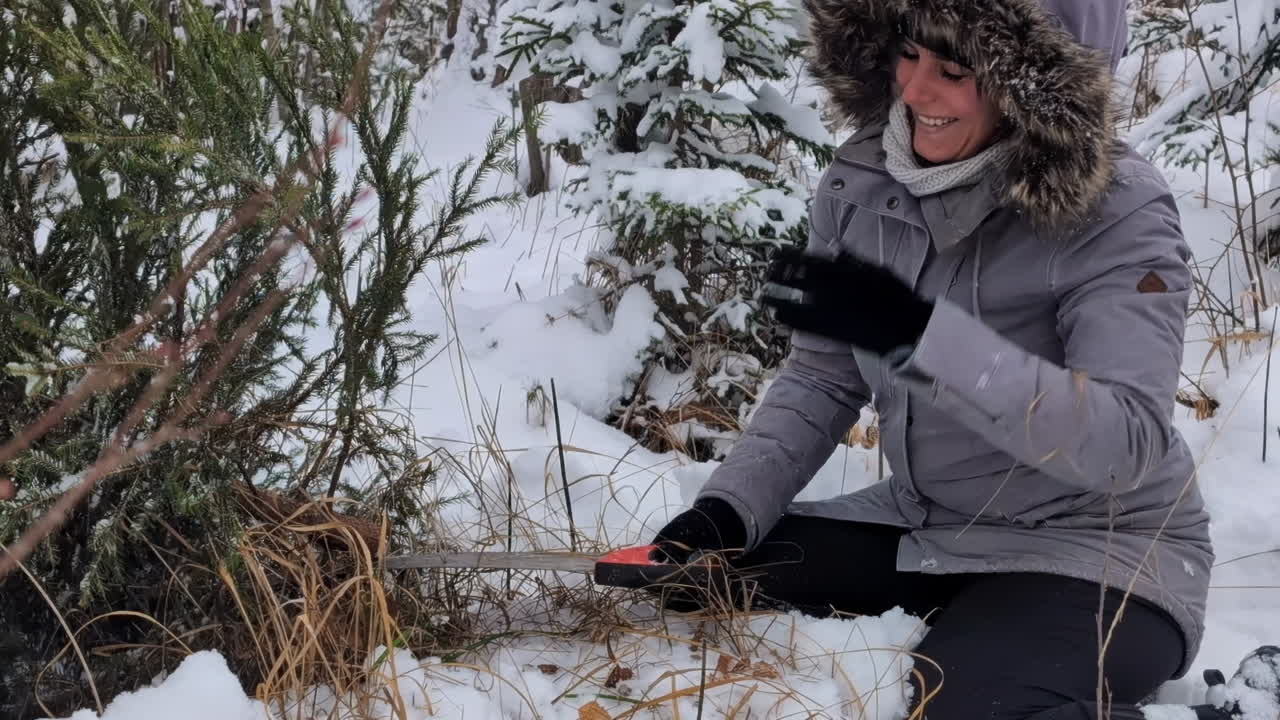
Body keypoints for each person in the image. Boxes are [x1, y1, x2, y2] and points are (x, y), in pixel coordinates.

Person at [648, 0, 1280, 718]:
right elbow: (823, 376)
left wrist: (921, 338)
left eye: (954, 68)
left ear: (1038, 90)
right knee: (703, 578)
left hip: (1103, 555)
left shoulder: (1121, 213)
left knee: (957, 707)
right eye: (908, 54)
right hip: (932, 527)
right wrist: (729, 510)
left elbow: (1125, 442)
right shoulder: (865, 180)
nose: (916, 91)